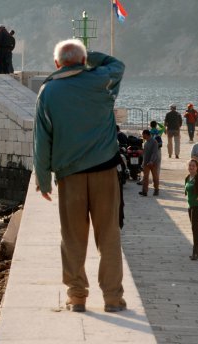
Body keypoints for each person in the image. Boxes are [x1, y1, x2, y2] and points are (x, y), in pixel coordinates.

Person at [34, 39, 127, 314]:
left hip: (70, 176)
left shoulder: (48, 92)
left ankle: (77, 297)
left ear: (56, 64)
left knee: (73, 239)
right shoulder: (101, 80)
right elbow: (117, 64)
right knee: (108, 236)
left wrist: (42, 178)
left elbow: (41, 140)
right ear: (84, 61)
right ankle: (112, 298)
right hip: (105, 171)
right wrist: (88, 57)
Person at [139, 129, 160, 196]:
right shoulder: (146, 143)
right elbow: (144, 153)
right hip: (146, 163)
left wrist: (151, 161)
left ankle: (156, 190)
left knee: (155, 177)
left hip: (153, 163)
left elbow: (155, 153)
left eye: (143, 134)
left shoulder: (154, 142)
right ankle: (144, 191)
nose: (142, 136)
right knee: (145, 177)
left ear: (146, 134)